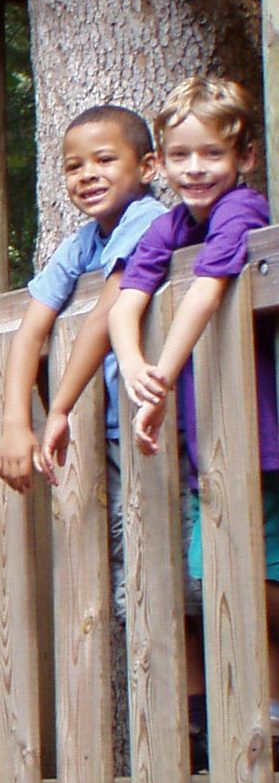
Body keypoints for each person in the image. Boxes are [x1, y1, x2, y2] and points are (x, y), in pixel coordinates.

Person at [98, 76, 279, 725]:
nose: (194, 168)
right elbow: (126, 300)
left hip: (256, 432)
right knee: (217, 583)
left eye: (210, 153)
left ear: (243, 157)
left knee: (256, 582)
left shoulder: (241, 209)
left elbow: (206, 288)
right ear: (163, 162)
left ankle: (263, 707)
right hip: (211, 446)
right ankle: (241, 715)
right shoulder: (171, 223)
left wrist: (162, 374)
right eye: (180, 155)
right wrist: (136, 365)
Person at [0, 107, 165, 624]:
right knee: (138, 578)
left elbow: (105, 315)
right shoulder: (83, 242)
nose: (87, 173)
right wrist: (13, 423)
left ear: (149, 167)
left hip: (160, 419)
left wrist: (58, 409)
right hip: (118, 429)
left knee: (171, 581)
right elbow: (32, 327)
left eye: (105, 159)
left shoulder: (151, 221)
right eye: (73, 166)